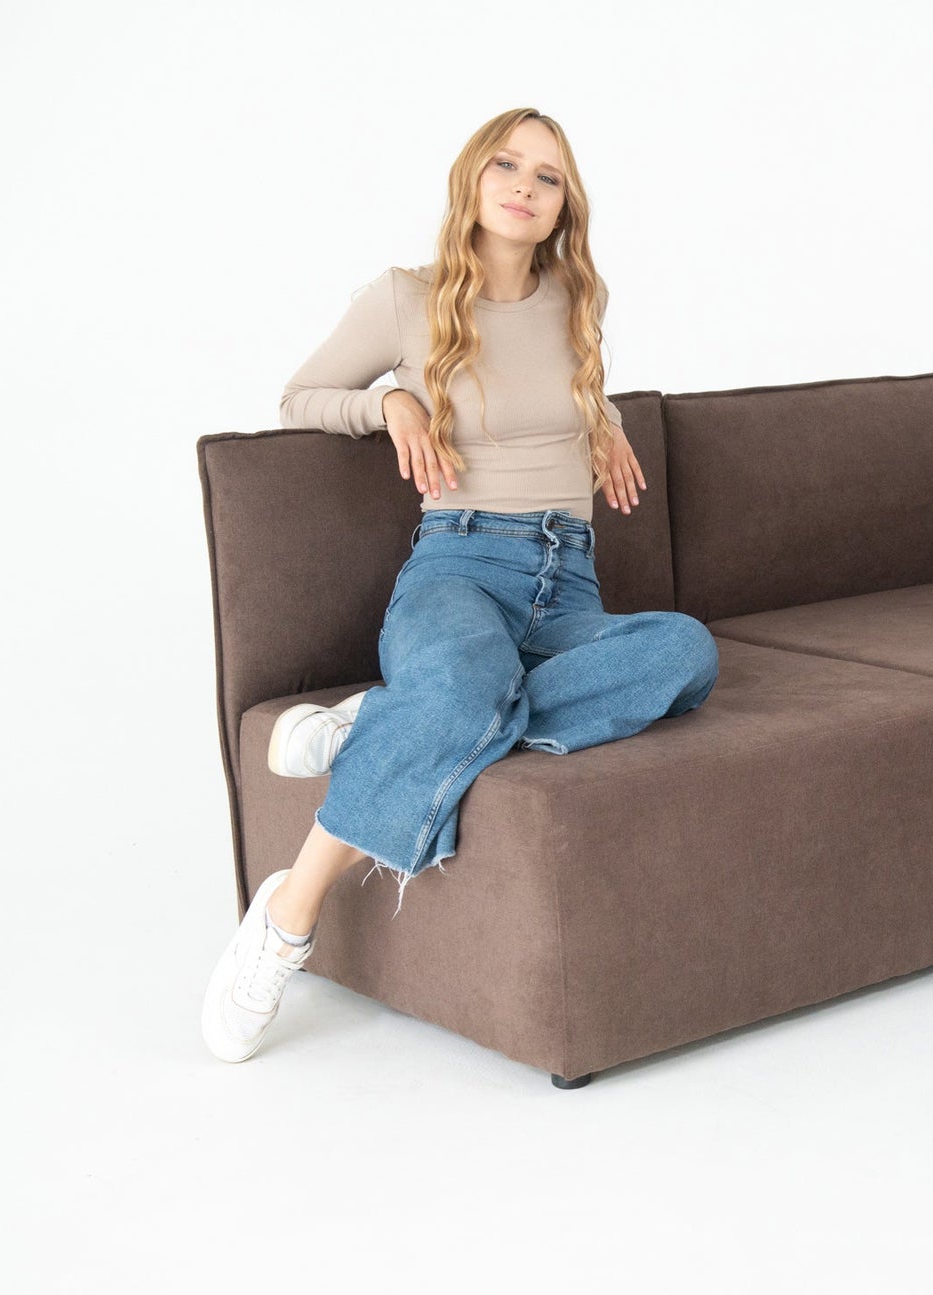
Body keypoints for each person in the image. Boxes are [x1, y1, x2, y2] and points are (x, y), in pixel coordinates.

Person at [202, 109, 720, 1063]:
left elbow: (552, 394)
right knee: (467, 678)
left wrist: (602, 417)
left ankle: (390, 715)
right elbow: (297, 396)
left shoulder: (579, 297)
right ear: (473, 179)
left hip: (569, 586)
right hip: (460, 566)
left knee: (685, 651)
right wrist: (389, 400)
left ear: (565, 206)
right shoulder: (408, 297)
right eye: (506, 164)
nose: (524, 185)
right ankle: (288, 913)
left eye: (548, 177)